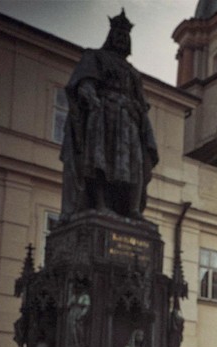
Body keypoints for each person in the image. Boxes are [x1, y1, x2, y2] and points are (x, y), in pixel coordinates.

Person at [59, 11, 158, 220]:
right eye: (118, 34)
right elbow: (84, 81)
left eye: (125, 35)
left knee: (135, 165)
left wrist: (140, 113)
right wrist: (89, 95)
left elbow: (142, 101)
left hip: (130, 120)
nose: (122, 38)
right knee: (100, 160)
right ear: (110, 36)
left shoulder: (133, 72)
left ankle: (132, 209)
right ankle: (100, 204)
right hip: (104, 115)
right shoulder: (95, 56)